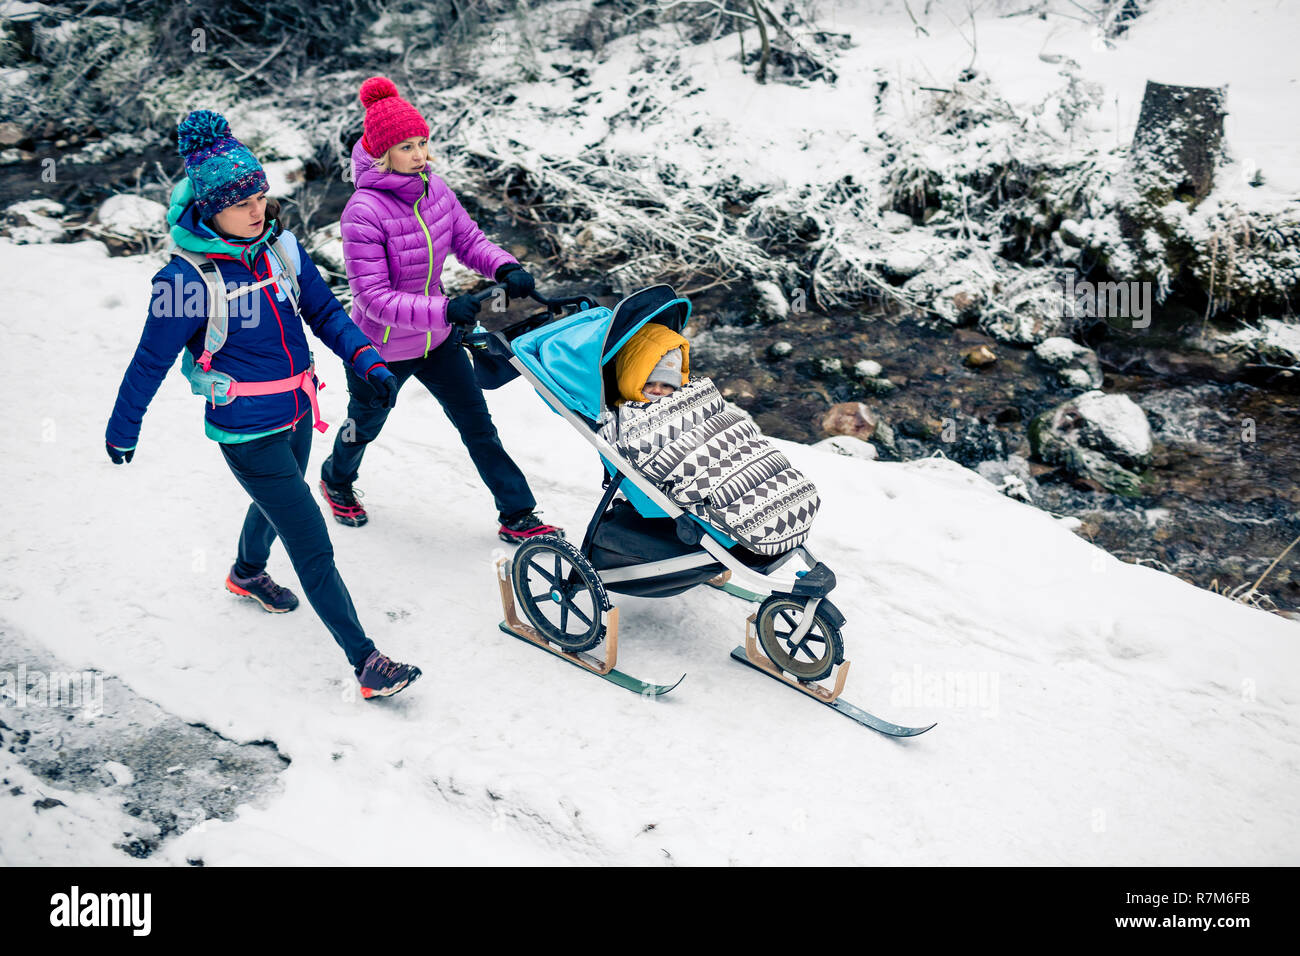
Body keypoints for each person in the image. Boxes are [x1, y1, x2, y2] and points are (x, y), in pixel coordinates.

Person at [104, 109, 421, 700]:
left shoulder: (282, 251)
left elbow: (325, 313)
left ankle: (246, 573)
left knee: (280, 498)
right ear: (207, 209)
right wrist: (124, 427)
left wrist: (369, 361)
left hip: (299, 410)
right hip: (245, 428)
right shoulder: (185, 280)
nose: (258, 209)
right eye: (241, 202)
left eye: (260, 195)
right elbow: (147, 361)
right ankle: (367, 662)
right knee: (309, 536)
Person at [317, 76, 563, 545]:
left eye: (423, 142)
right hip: (379, 348)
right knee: (363, 425)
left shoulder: (436, 189)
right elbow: (372, 296)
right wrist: (446, 309)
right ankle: (336, 478)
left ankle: (517, 513)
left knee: (478, 426)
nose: (420, 154)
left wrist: (506, 266)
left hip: (437, 339)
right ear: (382, 153)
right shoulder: (362, 211)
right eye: (407, 146)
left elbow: (468, 241)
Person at [613, 322, 691, 406]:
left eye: (666, 385)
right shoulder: (615, 416)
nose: (656, 391)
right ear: (630, 382)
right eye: (649, 384)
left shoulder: (687, 407)